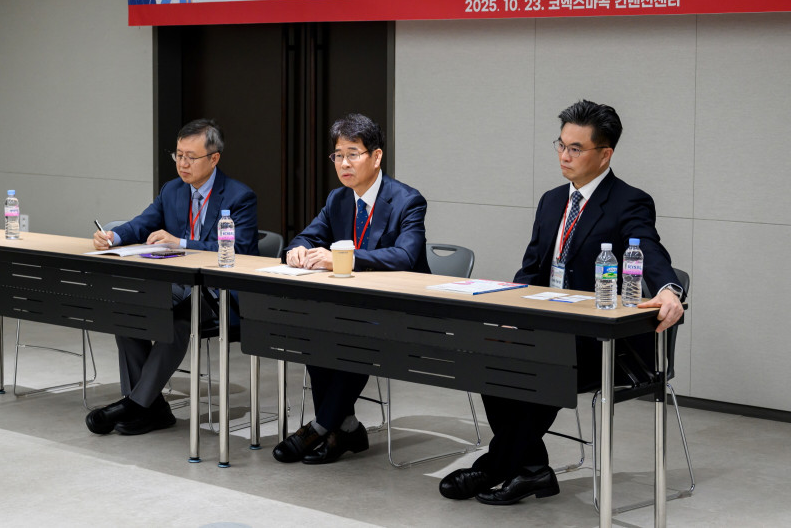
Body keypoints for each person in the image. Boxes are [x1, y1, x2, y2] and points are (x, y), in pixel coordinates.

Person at [440, 100, 685, 505]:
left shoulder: (629, 201)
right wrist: (510, 310)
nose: (564, 156)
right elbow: (531, 269)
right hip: (546, 323)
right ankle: (531, 468)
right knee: (485, 352)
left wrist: (669, 289)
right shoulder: (552, 200)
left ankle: (497, 466)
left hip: (597, 338)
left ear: (604, 154)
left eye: (575, 148)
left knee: (540, 363)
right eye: (561, 145)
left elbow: (648, 250)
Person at [272, 113, 430, 465]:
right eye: (338, 155)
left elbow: (406, 256)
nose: (343, 163)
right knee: (313, 328)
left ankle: (319, 426)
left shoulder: (407, 200)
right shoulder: (338, 200)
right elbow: (307, 236)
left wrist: (342, 258)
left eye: (352, 154)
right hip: (352, 307)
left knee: (355, 336)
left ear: (376, 156)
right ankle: (345, 428)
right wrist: (297, 249)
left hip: (401, 310)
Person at [86, 118, 258, 436]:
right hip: (179, 285)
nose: (182, 164)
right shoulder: (172, 190)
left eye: (191, 157)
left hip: (219, 294)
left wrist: (182, 243)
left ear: (214, 158)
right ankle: (151, 408)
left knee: (179, 319)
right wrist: (113, 236)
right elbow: (142, 223)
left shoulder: (239, 196)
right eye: (178, 155)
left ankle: (135, 406)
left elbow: (241, 250)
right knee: (127, 311)